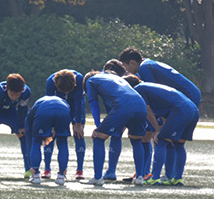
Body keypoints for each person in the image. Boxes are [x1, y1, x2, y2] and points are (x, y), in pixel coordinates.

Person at [119, 47, 201, 182]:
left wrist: (159, 128)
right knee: (173, 140)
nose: (127, 70)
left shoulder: (144, 69)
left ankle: (162, 176)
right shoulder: (148, 63)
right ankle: (172, 176)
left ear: (133, 62)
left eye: (126, 66)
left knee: (163, 139)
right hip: (186, 100)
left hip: (185, 99)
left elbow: (154, 98)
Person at [81, 70, 147, 186]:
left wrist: (98, 126)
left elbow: (93, 103)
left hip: (123, 105)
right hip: (141, 104)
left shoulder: (91, 80)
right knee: (136, 140)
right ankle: (140, 177)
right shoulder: (114, 77)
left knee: (98, 138)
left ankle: (97, 177)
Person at [40, 69, 86, 180]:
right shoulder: (50, 82)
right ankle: (47, 168)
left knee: (78, 134)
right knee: (50, 134)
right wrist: (51, 125)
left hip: (75, 105)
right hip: (58, 106)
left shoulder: (79, 79)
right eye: (64, 91)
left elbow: (79, 102)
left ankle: (79, 170)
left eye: (68, 91)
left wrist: (78, 123)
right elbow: (49, 102)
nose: (66, 93)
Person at [25, 95, 71, 185]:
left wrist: (34, 136)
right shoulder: (63, 101)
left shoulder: (39, 101)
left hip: (44, 113)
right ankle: (61, 176)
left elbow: (28, 123)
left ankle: (35, 175)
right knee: (62, 143)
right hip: (63, 111)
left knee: (36, 141)